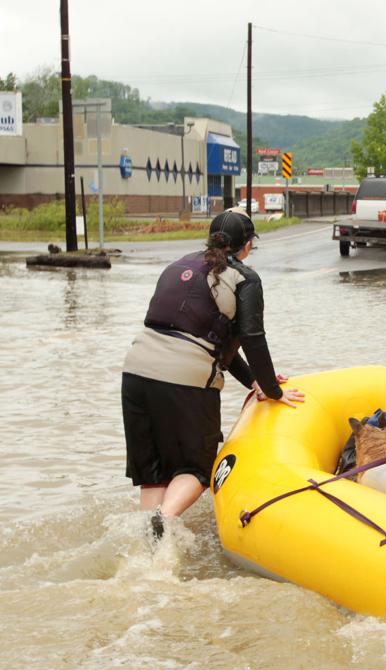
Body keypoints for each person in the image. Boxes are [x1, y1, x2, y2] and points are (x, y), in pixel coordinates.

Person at [122, 209, 305, 536]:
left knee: (154, 473)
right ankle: (163, 520)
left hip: (135, 371)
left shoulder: (177, 265)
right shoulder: (244, 278)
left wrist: (254, 382)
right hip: (186, 379)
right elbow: (251, 338)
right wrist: (273, 391)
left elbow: (209, 340)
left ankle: (146, 541)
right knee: (199, 469)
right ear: (247, 246)